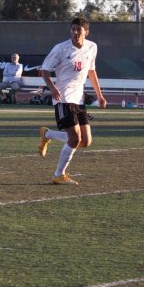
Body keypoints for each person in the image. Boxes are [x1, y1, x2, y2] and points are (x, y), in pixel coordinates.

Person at [36, 17, 107, 185]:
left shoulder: (92, 47)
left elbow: (91, 71)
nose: (75, 33)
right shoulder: (60, 49)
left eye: (79, 30)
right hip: (63, 98)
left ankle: (47, 134)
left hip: (79, 99)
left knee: (85, 141)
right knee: (74, 139)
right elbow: (44, 70)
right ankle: (58, 174)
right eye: (73, 29)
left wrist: (99, 95)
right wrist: (53, 88)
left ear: (86, 32)